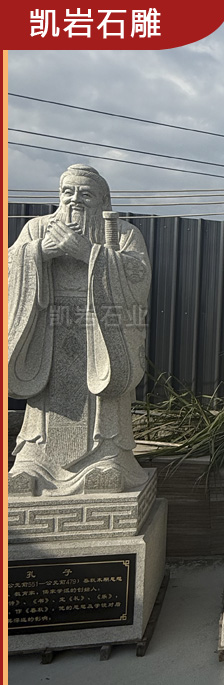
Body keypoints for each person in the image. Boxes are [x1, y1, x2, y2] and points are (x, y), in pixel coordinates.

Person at [8, 164, 151, 495]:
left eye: (85, 194)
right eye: (67, 192)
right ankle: (34, 462)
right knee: (45, 405)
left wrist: (89, 254)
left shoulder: (122, 233)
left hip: (102, 330)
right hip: (48, 329)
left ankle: (108, 457)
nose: (74, 200)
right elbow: (11, 265)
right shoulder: (37, 229)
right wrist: (39, 253)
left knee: (104, 392)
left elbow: (138, 277)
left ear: (103, 200)